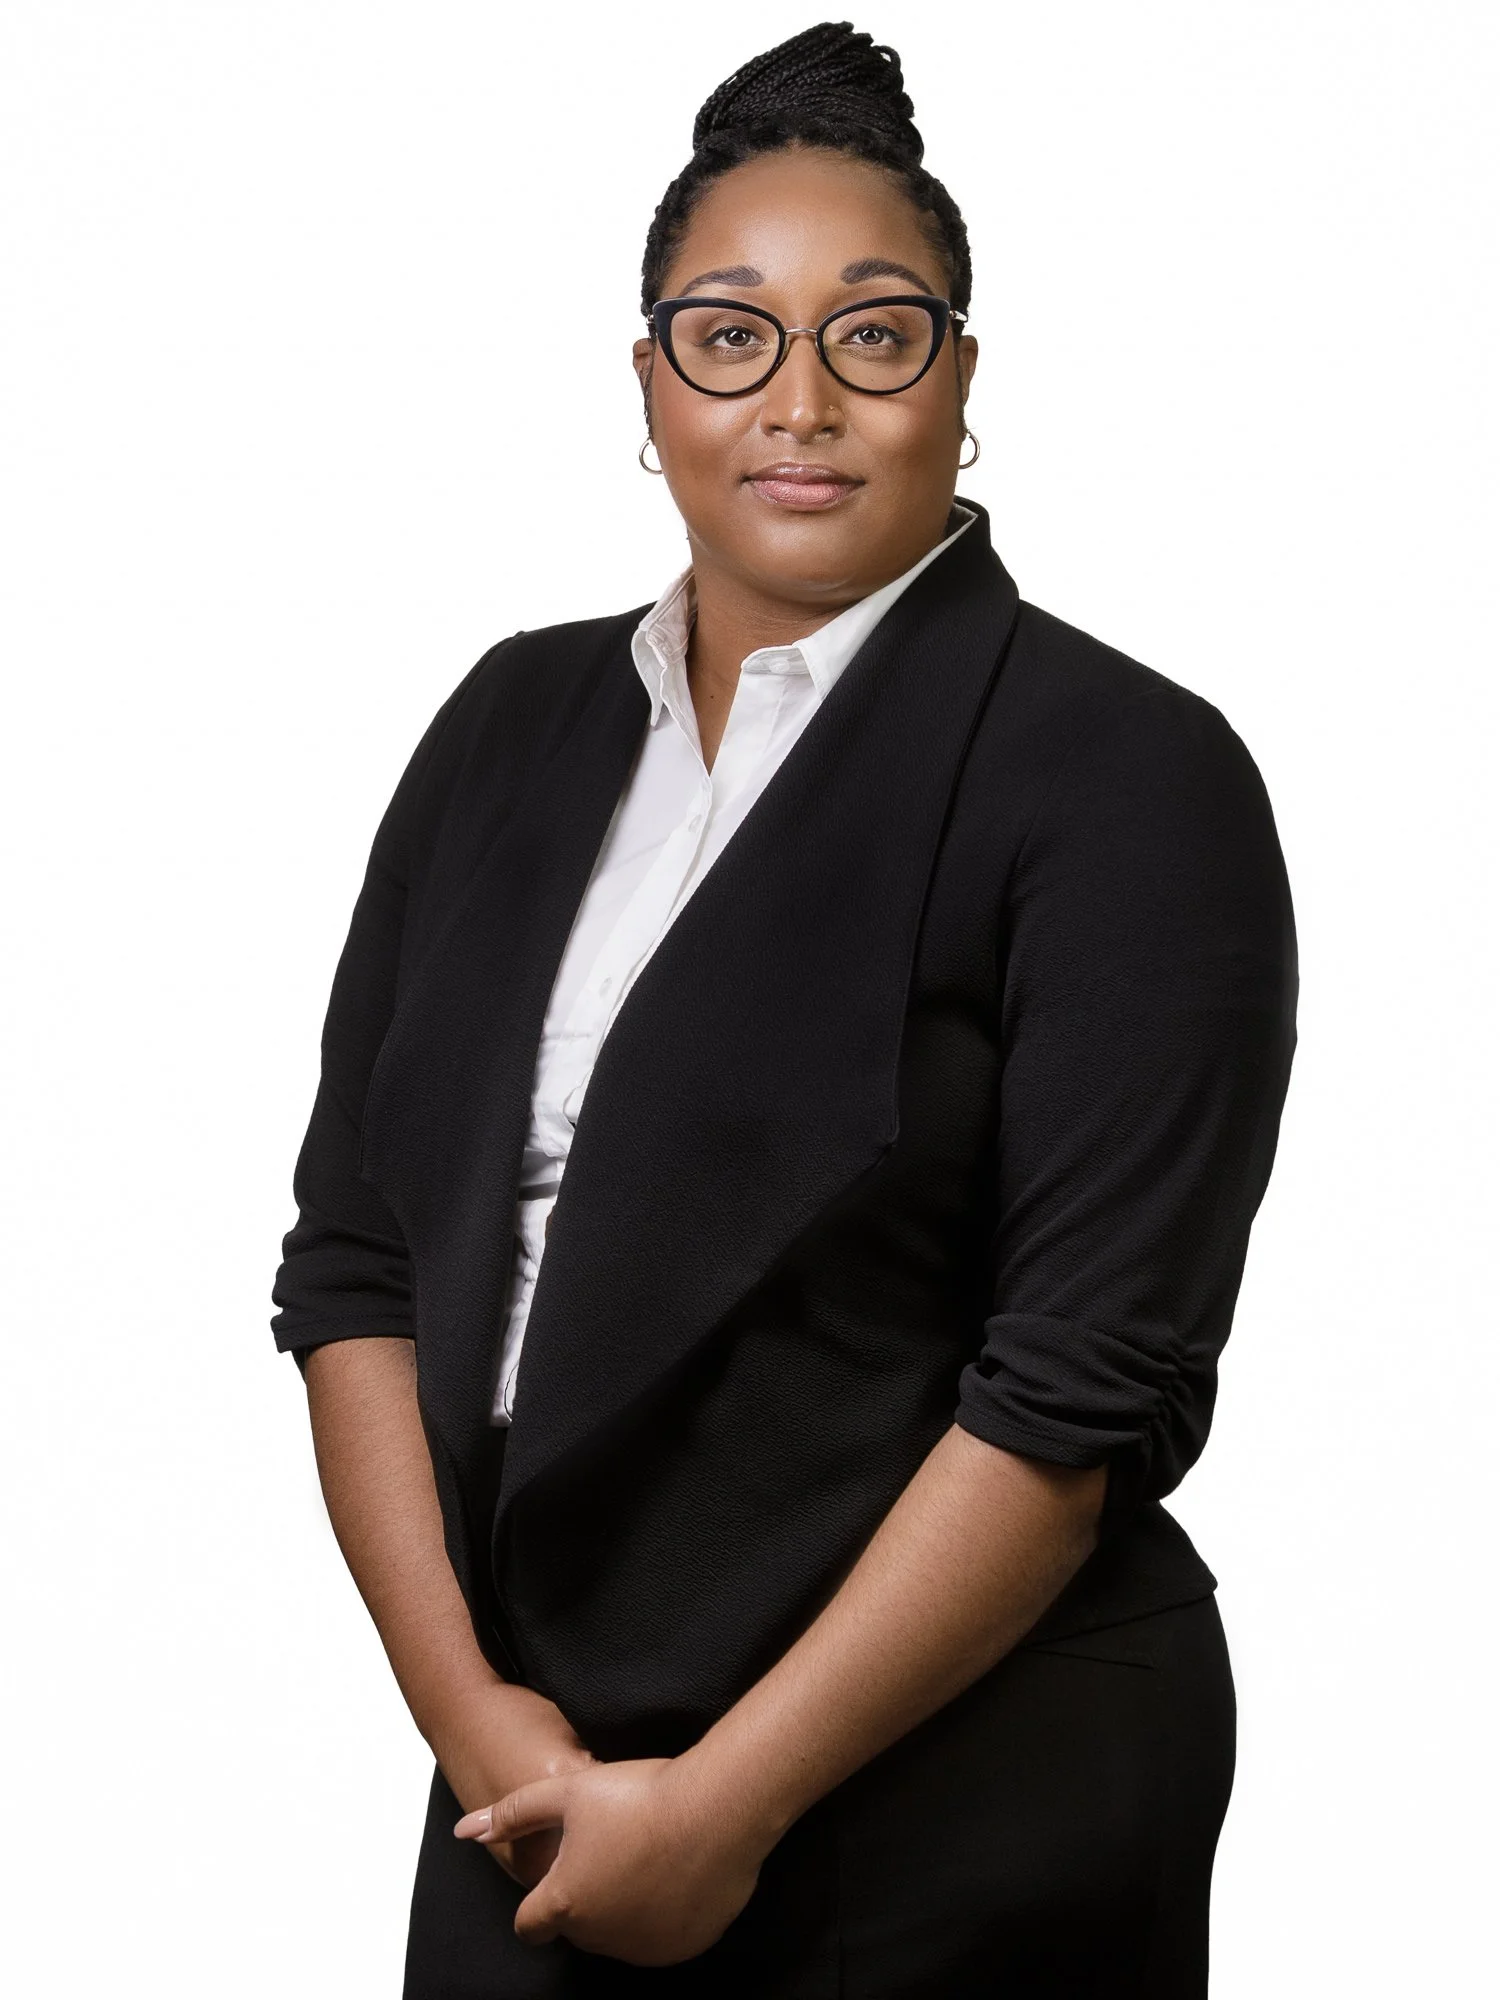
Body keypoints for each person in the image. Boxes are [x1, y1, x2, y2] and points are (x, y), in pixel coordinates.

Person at [270, 21, 1299, 1997]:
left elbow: (1079, 1386)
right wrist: (477, 1724)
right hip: (537, 1773)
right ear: (650, 384)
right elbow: (357, 1262)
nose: (801, 399)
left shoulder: (1123, 773)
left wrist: (726, 1806)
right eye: (730, 335)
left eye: (879, 333)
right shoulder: (510, 722)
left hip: (947, 1797)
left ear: (965, 383)